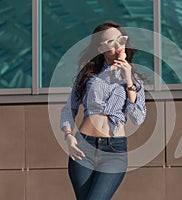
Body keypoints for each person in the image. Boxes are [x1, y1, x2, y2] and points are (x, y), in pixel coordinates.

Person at [60, 21, 147, 200]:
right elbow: (69, 108)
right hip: (83, 147)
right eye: (110, 43)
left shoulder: (135, 80)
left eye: (120, 41)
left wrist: (128, 80)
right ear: (100, 48)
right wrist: (68, 135)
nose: (117, 47)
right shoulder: (88, 75)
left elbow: (137, 118)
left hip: (114, 151)